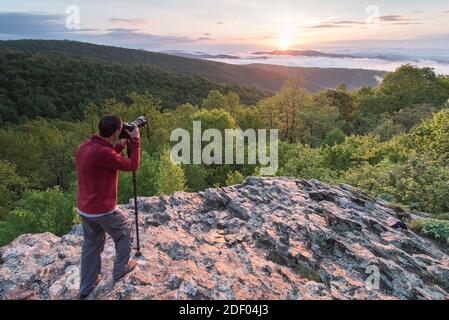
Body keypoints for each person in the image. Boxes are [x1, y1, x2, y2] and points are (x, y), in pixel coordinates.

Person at [75, 115, 141, 299]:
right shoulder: (104, 153)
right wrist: (135, 140)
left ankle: (86, 286)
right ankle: (120, 270)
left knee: (91, 245)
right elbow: (133, 165)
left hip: (84, 208)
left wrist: (119, 145)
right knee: (125, 229)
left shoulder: (85, 147)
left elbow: (105, 158)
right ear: (114, 133)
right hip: (102, 209)